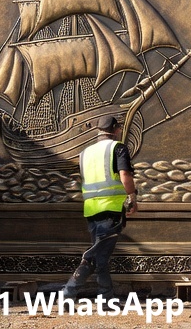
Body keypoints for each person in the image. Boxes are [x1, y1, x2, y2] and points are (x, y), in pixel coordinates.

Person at [62, 115, 138, 300]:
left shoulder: (85, 153)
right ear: (116, 129)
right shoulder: (117, 148)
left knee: (101, 258)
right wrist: (132, 196)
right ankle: (68, 292)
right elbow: (125, 175)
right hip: (110, 210)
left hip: (91, 210)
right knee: (95, 255)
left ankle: (106, 298)